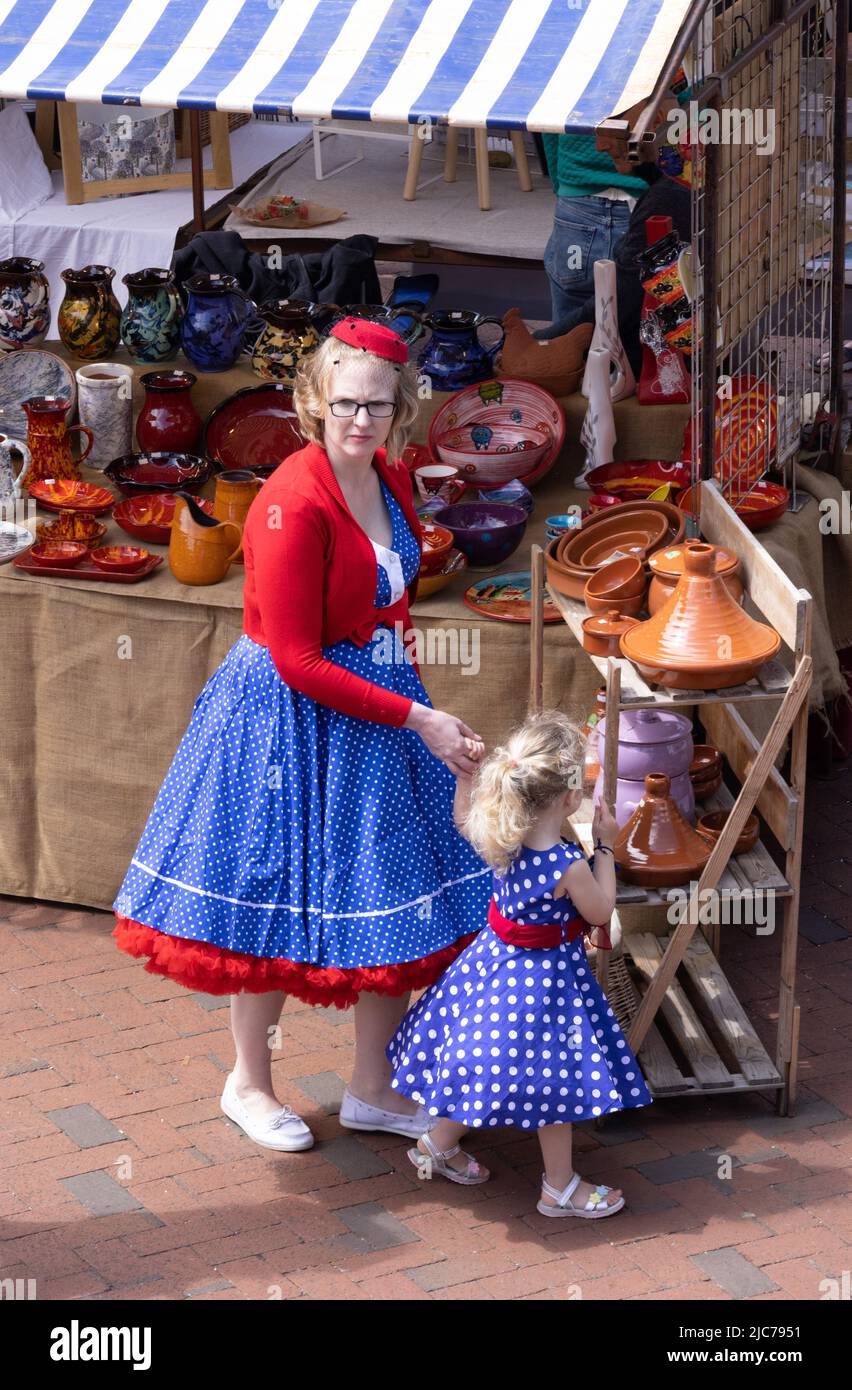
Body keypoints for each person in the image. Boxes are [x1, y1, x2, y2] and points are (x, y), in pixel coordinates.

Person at [112, 317, 492, 1153]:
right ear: (315, 401)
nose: (362, 420)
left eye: (380, 406)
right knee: (275, 898)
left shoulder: (389, 476)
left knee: (395, 896)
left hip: (376, 703)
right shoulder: (292, 498)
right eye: (347, 404)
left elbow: (388, 606)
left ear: (402, 409)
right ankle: (247, 1083)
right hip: (286, 716)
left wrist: (412, 690)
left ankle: (371, 1088)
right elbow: (294, 658)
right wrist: (419, 717)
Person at [386, 710, 653, 1219]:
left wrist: (466, 780)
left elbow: (463, 819)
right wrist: (606, 849)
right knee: (557, 1083)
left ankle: (437, 1146)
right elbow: (599, 910)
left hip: (492, 967)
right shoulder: (566, 865)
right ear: (571, 798)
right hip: (545, 980)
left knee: (482, 1064)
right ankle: (559, 1188)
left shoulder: (500, 833)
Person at [539, 133, 650, 326]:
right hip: (645, 193)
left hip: (577, 190)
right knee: (645, 319)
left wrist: (564, 187)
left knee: (567, 331)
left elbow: (550, 125)